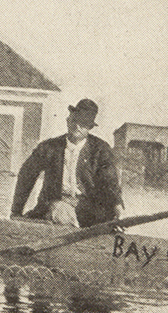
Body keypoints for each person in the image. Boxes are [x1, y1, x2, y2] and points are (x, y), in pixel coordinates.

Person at [10, 98, 123, 228]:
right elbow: (26, 176)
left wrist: (118, 209)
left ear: (90, 128)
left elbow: (110, 182)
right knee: (60, 210)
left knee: (108, 225)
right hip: (55, 206)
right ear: (68, 121)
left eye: (83, 124)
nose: (77, 126)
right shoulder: (49, 147)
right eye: (74, 121)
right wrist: (16, 211)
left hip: (88, 210)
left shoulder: (101, 149)